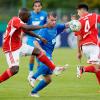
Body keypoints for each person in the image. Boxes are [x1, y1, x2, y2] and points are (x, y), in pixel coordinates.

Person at [0, 8, 66, 84]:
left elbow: (27, 31)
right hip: (11, 48)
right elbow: (27, 27)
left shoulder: (20, 22)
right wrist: (43, 26)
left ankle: (54, 69)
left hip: (19, 46)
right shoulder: (15, 20)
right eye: (28, 17)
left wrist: (39, 37)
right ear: (23, 16)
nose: (29, 18)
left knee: (37, 51)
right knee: (14, 69)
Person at [28, 11, 69, 97]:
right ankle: (33, 77)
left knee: (48, 80)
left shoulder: (56, 27)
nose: (53, 22)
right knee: (47, 64)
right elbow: (35, 42)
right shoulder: (44, 30)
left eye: (55, 20)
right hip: (41, 54)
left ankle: (33, 92)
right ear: (47, 19)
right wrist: (41, 49)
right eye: (51, 20)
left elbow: (66, 25)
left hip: (49, 54)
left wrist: (77, 22)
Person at [74, 3, 100, 86]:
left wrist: (79, 52)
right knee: (97, 66)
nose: (78, 13)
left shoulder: (78, 22)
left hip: (84, 48)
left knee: (97, 67)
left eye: (78, 11)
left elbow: (78, 38)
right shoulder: (95, 16)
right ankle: (82, 69)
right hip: (93, 45)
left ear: (82, 10)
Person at [27, 0, 48, 80]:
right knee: (32, 54)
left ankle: (38, 74)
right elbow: (26, 26)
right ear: (33, 7)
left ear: (41, 7)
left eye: (39, 6)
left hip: (40, 38)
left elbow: (46, 25)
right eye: (35, 6)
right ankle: (30, 72)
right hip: (31, 37)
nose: (37, 7)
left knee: (40, 55)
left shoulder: (45, 14)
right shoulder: (30, 15)